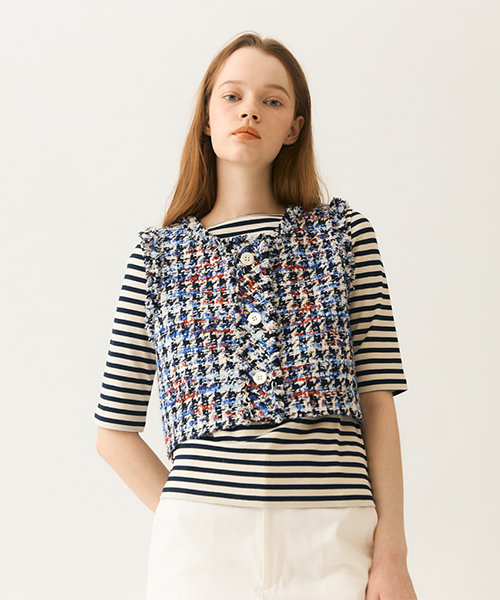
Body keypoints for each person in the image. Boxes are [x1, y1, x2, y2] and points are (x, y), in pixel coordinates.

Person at [95, 31, 417, 600]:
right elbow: (113, 430)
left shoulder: (345, 238)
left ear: (293, 127)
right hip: (200, 549)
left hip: (333, 535)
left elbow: (377, 399)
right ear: (206, 118)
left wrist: (392, 554)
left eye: (272, 100)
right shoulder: (156, 257)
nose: (250, 111)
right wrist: (186, 512)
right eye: (232, 96)